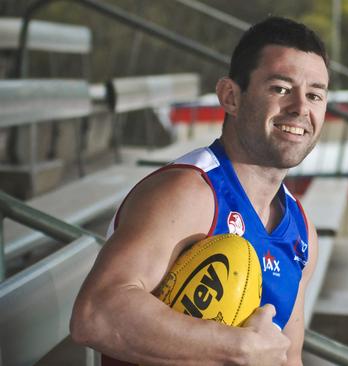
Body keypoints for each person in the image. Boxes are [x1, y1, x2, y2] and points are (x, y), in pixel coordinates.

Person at [70, 16, 329, 366]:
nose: (301, 108)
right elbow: (95, 315)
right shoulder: (190, 192)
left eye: (315, 95)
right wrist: (236, 348)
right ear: (230, 96)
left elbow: (288, 357)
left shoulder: (302, 232)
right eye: (280, 88)